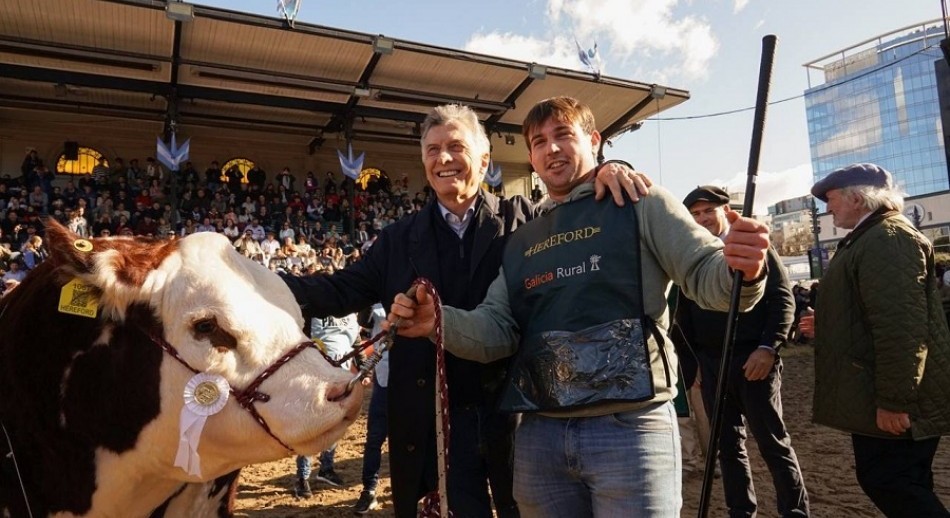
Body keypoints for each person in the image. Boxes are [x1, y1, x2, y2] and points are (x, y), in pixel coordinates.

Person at [387, 96, 771, 517]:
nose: (550, 149)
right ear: (530, 159)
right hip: (540, 437)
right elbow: (497, 328)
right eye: (538, 142)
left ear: (593, 140)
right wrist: (438, 321)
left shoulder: (642, 203)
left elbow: (707, 276)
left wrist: (743, 268)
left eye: (562, 135)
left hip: (630, 429)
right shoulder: (522, 240)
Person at [280, 102, 646, 518]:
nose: (444, 159)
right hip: (436, 423)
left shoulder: (526, 221)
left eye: (456, 146)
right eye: (433, 150)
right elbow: (339, 289)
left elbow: (577, 205)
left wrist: (606, 168)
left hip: (521, 418)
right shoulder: (398, 240)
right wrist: (259, 281)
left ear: (485, 160)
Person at [799, 163, 950, 517]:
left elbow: (902, 328)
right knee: (901, 482)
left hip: (894, 397)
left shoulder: (889, 239)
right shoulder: (872, 238)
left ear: (856, 197)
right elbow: (875, 311)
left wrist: (895, 401)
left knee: (891, 481)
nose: (828, 209)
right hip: (875, 389)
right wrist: (832, 322)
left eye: (831, 200)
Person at [673, 185, 809, 517]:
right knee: (727, 448)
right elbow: (684, 317)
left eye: (708, 211)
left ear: (725, 211)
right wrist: (693, 369)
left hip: (753, 360)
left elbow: (782, 299)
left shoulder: (751, 245)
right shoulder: (693, 254)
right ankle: (740, 512)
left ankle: (795, 512)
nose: (702, 218)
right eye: (695, 214)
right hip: (712, 363)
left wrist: (768, 348)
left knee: (772, 444)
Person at [294, 309, 362, 498]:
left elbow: (355, 341)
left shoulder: (349, 307)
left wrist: (363, 366)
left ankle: (326, 468)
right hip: (316, 377)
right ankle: (302, 477)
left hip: (342, 376)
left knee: (336, 421)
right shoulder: (313, 304)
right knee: (311, 425)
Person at [353, 303, 390, 514]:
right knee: (374, 440)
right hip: (384, 382)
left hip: (413, 384)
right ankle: (369, 490)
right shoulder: (376, 304)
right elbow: (363, 320)